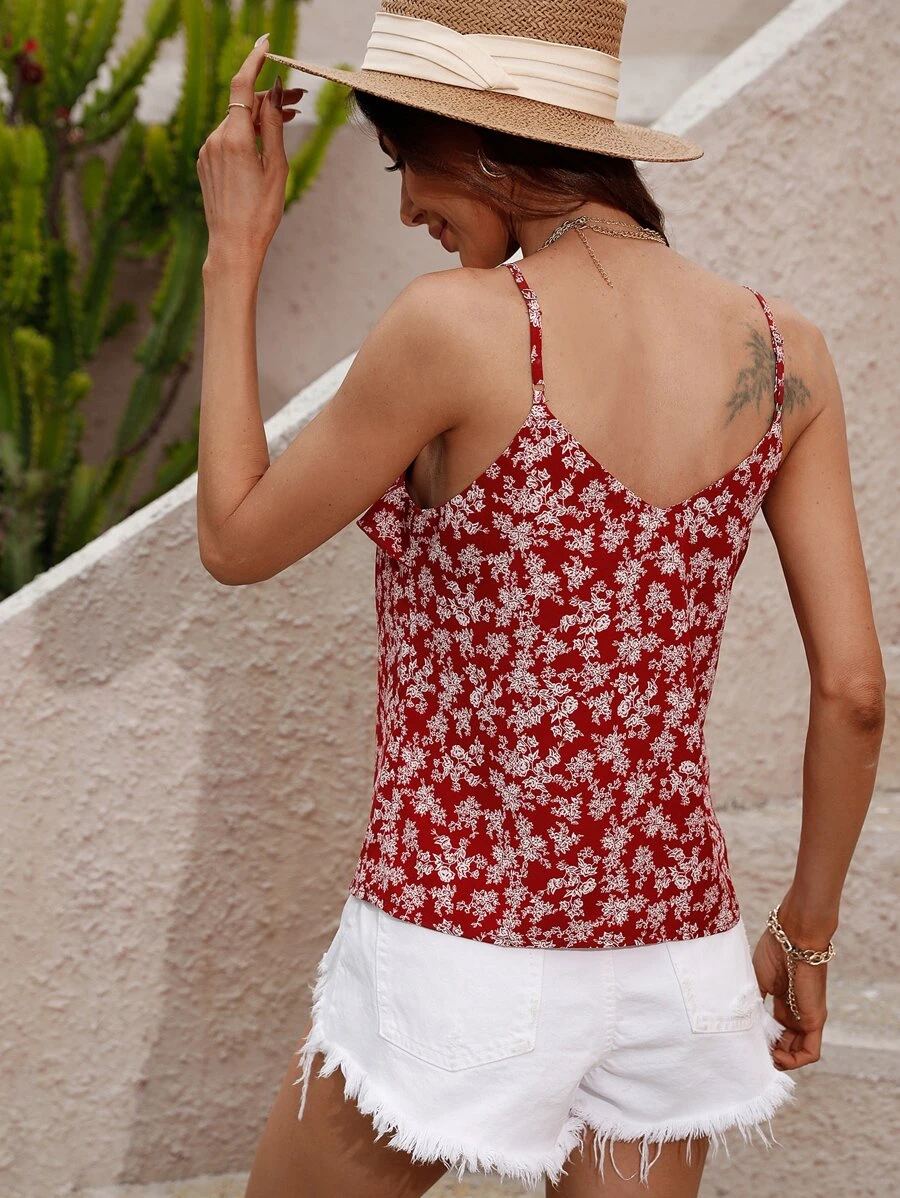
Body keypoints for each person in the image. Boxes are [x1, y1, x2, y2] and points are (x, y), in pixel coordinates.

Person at [195, 3, 886, 1195]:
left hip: (459, 939)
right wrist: (806, 933)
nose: (407, 209)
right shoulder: (786, 354)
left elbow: (233, 537)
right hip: (673, 953)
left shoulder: (454, 328)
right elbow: (856, 691)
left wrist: (232, 254)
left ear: (484, 144)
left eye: (404, 161)